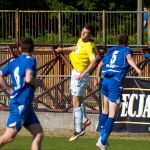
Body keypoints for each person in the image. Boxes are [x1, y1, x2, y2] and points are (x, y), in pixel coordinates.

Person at [95, 33, 142, 150]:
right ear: (127, 42)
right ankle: (103, 140)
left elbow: (100, 64)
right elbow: (129, 59)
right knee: (112, 114)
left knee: (105, 111)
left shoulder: (112, 50)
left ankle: (101, 138)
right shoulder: (127, 50)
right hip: (115, 82)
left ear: (118, 42)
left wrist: (97, 76)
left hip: (106, 80)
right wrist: (137, 68)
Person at [0, 38, 44, 150]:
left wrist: (8, 89)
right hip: (21, 103)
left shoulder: (12, 62)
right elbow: (29, 79)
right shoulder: (30, 60)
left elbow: (0, 74)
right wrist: (39, 82)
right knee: (9, 137)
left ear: (19, 49)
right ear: (33, 48)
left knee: (38, 134)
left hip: (26, 105)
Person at [55, 24, 97, 141]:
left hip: (81, 75)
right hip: (76, 74)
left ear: (90, 35)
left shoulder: (90, 46)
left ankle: (79, 129)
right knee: (79, 99)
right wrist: (62, 49)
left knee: (75, 101)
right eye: (82, 32)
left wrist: (83, 74)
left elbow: (94, 61)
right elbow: (76, 48)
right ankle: (84, 120)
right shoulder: (80, 41)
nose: (83, 34)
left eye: (86, 33)